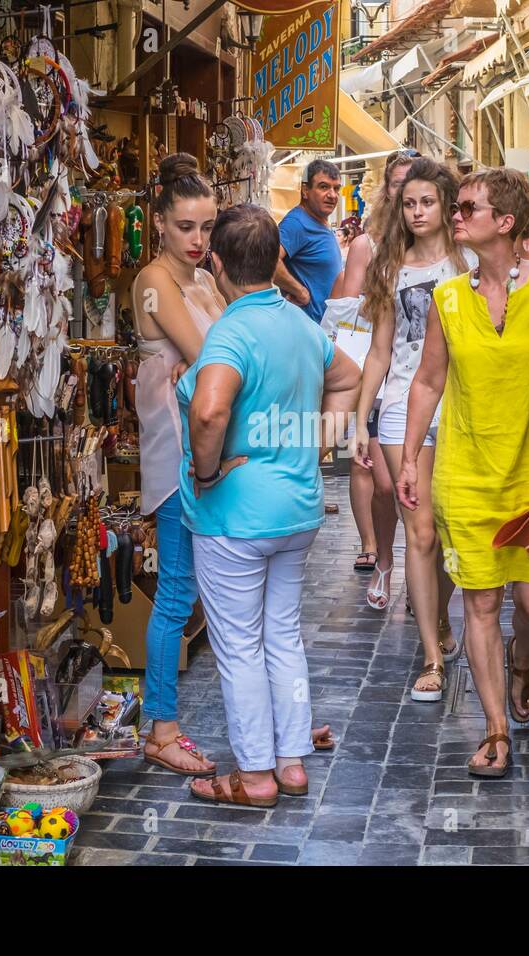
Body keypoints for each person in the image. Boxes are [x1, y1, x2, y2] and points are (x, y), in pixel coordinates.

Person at [398, 168, 529, 777]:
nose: (456, 217)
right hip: (466, 475)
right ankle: (495, 729)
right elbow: (427, 381)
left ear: (505, 222)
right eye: (454, 209)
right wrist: (408, 458)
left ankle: (524, 658)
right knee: (480, 604)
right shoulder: (447, 299)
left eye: (467, 208)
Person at [178, 204, 361, 807]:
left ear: (217, 262)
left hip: (237, 513)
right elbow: (349, 376)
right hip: (296, 507)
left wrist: (205, 472)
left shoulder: (232, 329)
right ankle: (291, 763)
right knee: (282, 637)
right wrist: (316, 441)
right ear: (275, 261)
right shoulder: (298, 323)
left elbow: (208, 410)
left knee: (238, 645)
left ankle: (255, 774)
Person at [353, 157, 473, 702]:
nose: (418, 211)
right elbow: (380, 349)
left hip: (463, 406)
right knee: (419, 533)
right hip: (403, 404)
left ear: (447, 207)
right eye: (409, 203)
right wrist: (361, 417)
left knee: (448, 532)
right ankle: (431, 655)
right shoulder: (389, 265)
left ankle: (442, 618)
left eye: (428, 202)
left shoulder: (469, 261)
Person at [129, 153, 225, 778]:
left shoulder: (203, 279)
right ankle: (160, 728)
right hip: (174, 449)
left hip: (208, 446)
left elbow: (215, 361)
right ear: (160, 222)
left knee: (201, 591)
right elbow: (211, 353)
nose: (198, 239)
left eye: (208, 227)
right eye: (186, 226)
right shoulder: (154, 280)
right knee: (175, 596)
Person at [327, 150, 414, 595]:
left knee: (408, 482)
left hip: (418, 378)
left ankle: (419, 580)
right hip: (376, 368)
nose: (406, 195)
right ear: (387, 191)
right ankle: (379, 551)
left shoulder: (434, 247)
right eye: (398, 184)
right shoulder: (369, 244)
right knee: (378, 477)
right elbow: (347, 309)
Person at [276, 158, 342, 323]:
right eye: (324, 187)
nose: (332, 195)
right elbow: (268, 261)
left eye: (336, 188)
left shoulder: (320, 221)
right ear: (305, 191)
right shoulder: (296, 223)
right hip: (308, 331)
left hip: (325, 331)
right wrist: (300, 291)